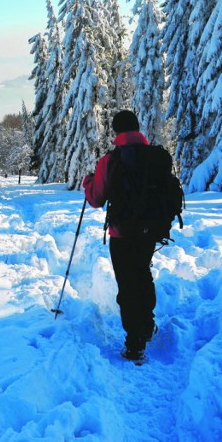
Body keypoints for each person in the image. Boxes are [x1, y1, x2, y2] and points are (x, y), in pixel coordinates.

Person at [82, 110, 157, 363]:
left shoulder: (110, 161)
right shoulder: (155, 157)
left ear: (116, 132)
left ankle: (135, 343)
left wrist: (87, 182)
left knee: (127, 285)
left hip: (122, 233)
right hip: (149, 232)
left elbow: (95, 199)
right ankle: (146, 326)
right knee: (143, 275)